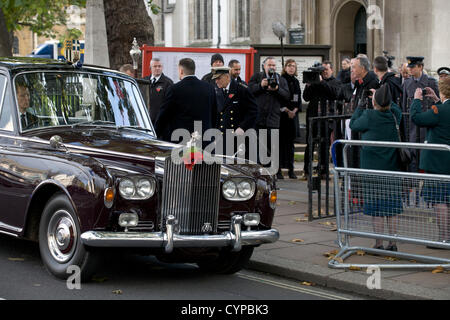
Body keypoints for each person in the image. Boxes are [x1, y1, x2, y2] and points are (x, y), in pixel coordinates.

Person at [350, 84, 403, 251]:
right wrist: (383, 97)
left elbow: (353, 124)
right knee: (392, 208)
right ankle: (393, 243)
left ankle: (379, 243)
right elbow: (397, 109)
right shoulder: (394, 115)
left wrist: (359, 106)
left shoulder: (369, 115)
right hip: (391, 168)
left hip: (372, 169)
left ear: (374, 103)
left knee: (376, 208)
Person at [411, 77, 450, 245]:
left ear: (442, 90)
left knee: (439, 200)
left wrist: (416, 101)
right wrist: (438, 101)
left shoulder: (439, 111)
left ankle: (444, 238)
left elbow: (417, 118)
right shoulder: (441, 107)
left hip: (437, 163)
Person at [155, 58, 217, 144]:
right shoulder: (209, 88)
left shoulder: (174, 89)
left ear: (181, 71)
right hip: (204, 140)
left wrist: (155, 134)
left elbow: (164, 115)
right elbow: (214, 115)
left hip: (181, 141)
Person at [248, 57, 290, 172]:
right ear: (264, 66)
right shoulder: (257, 77)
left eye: (273, 65)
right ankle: (256, 174)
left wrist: (277, 89)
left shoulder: (280, 80)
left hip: (273, 120)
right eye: (269, 65)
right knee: (257, 149)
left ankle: (271, 176)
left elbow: (287, 96)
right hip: (258, 120)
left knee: (272, 150)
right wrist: (260, 86)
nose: (272, 67)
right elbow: (249, 91)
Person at [302, 61, 341, 179]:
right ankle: (307, 170)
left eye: (326, 70)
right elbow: (306, 97)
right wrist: (310, 84)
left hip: (326, 118)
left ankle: (323, 170)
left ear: (332, 70)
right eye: (322, 70)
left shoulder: (335, 82)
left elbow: (335, 94)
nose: (324, 72)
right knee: (310, 144)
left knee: (324, 145)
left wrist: (322, 82)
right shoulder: (313, 81)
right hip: (313, 117)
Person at [402, 56, 439, 172]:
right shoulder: (407, 83)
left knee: (426, 156)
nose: (410, 70)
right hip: (412, 127)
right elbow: (404, 106)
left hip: (427, 125)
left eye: (413, 67)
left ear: (420, 67)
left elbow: (438, 103)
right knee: (413, 157)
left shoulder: (431, 82)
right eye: (410, 67)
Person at [212, 66, 258, 157]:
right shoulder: (218, 91)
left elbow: (253, 111)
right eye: (215, 79)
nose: (216, 81)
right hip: (224, 136)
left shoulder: (242, 89)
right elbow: (219, 115)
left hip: (238, 136)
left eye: (219, 78)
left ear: (227, 77)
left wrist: (243, 127)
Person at [280, 59, 301, 179]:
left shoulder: (296, 82)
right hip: (282, 116)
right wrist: (286, 110)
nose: (291, 68)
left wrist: (294, 110)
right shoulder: (281, 80)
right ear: (285, 67)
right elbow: (280, 98)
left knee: (290, 145)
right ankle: (279, 170)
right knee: (280, 144)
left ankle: (291, 169)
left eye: (293, 66)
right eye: (289, 66)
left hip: (293, 116)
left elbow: (297, 98)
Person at [144, 58, 174, 124]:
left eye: (159, 66)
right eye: (155, 66)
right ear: (150, 68)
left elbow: (170, 104)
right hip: (145, 120)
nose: (157, 68)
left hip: (161, 121)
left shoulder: (168, 83)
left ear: (162, 67)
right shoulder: (144, 81)